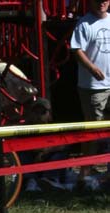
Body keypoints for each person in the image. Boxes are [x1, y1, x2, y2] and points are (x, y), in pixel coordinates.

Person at [70, 0, 110, 190]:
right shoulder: (84, 24)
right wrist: (92, 67)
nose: (101, 3)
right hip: (93, 87)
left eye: (105, 0)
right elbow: (77, 50)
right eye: (97, 0)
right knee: (93, 131)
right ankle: (84, 175)